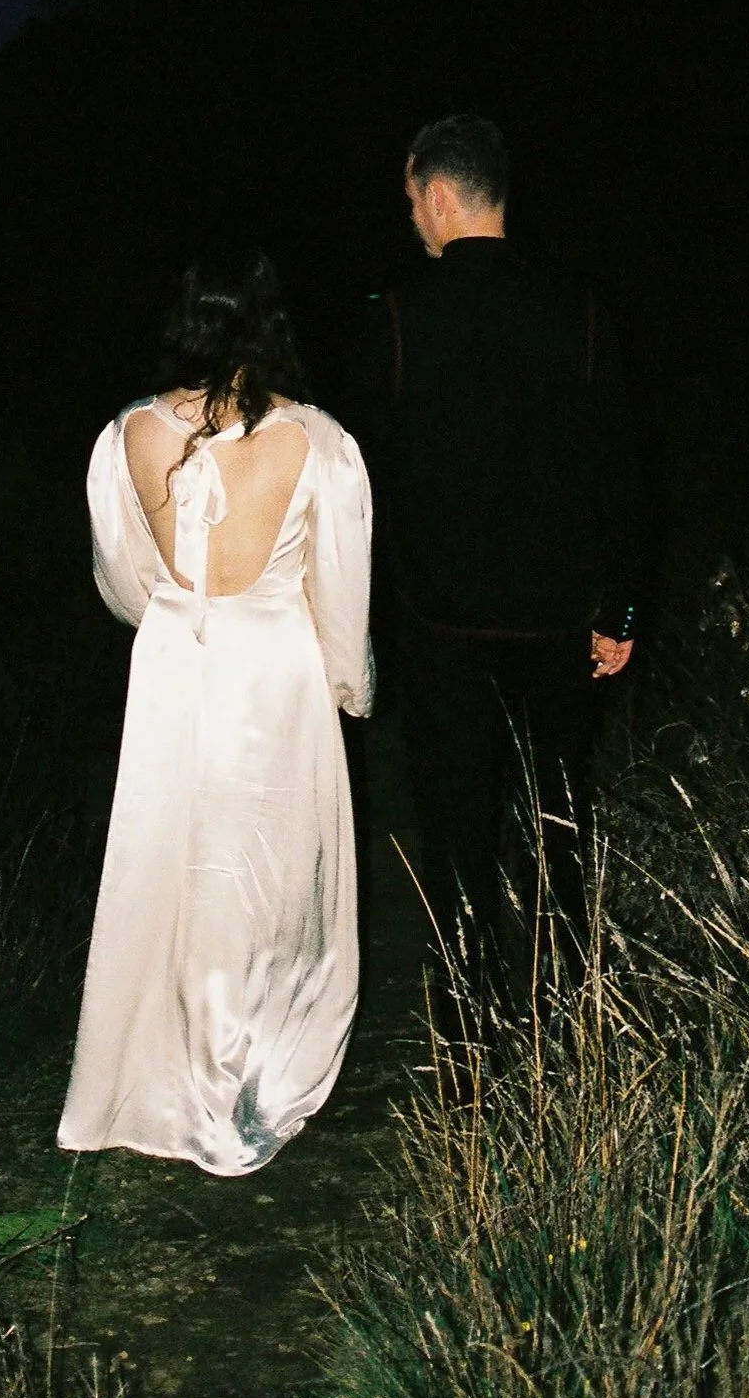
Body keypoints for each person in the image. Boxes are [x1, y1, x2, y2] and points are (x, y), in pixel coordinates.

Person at [58, 253, 374, 1177]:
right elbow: (340, 587)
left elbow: (122, 578)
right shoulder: (315, 441)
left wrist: (175, 616)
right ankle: (250, 1067)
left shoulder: (124, 435)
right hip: (273, 667)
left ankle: (179, 1067)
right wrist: (347, 681)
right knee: (268, 869)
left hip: (175, 664)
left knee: (180, 869)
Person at [347, 114, 642, 1019]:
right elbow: (622, 467)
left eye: (409, 202)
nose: (410, 220)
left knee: (456, 830)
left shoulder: (396, 315)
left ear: (438, 195)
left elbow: (364, 476)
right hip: (558, 619)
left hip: (441, 625)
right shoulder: (581, 309)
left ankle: (468, 1039)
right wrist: (619, 611)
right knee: (558, 813)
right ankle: (567, 1018)